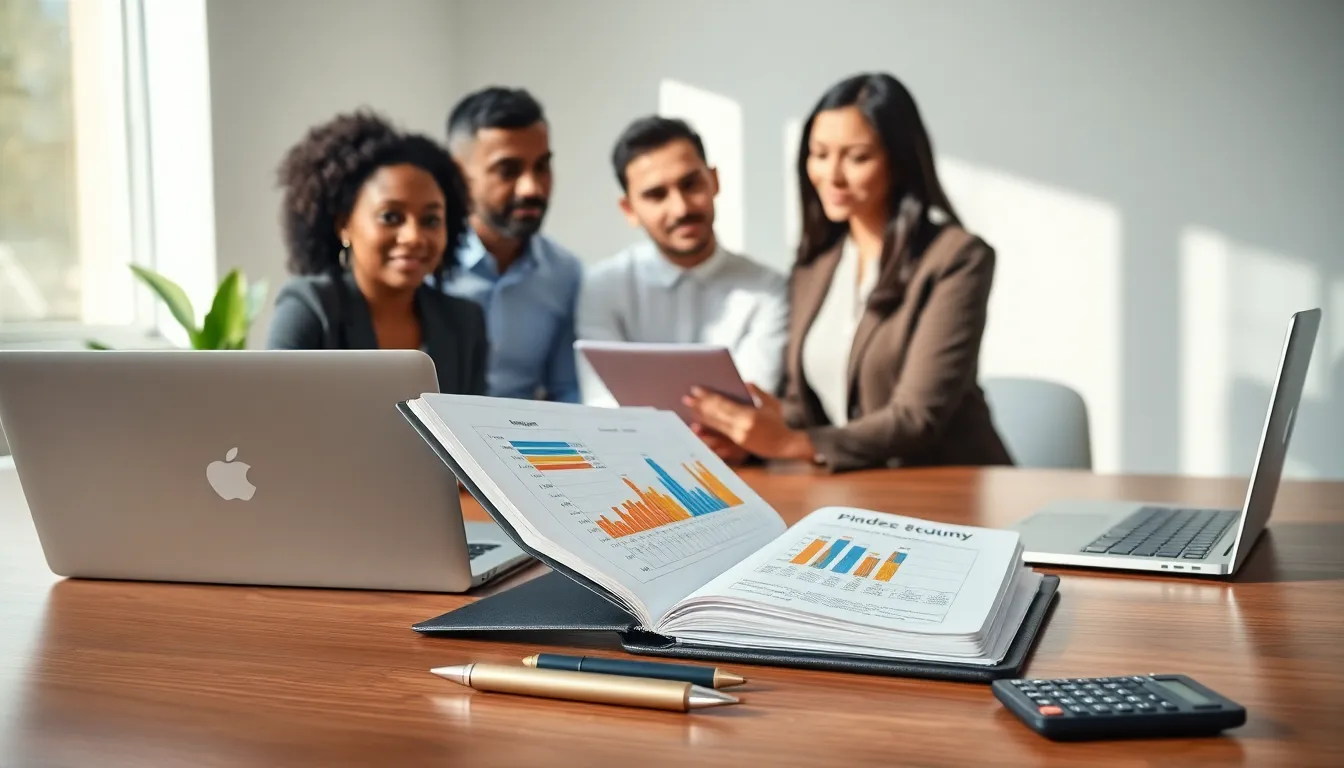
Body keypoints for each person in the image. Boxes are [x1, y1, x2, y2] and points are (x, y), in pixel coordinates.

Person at [684, 73, 1013, 472]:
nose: (832, 176)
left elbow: (916, 418)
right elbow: (806, 407)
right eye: (819, 154)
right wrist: (756, 434)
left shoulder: (955, 258)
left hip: (948, 487)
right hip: (856, 490)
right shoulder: (813, 266)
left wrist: (791, 442)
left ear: (899, 161)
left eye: (856, 157)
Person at [577, 115, 789, 463]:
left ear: (714, 181)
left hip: (741, 476)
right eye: (656, 195)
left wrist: (738, 436)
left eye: (691, 184)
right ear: (629, 210)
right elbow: (603, 411)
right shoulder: (601, 286)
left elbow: (748, 411)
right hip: (633, 474)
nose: (681, 208)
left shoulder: (768, 288)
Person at [266, 110, 488, 396]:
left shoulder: (465, 322)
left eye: (430, 220)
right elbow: (275, 419)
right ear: (344, 224)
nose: (414, 237)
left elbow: (468, 432)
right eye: (391, 217)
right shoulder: (310, 308)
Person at [439, 86, 583, 402]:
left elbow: (567, 393)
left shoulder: (565, 274)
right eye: (508, 170)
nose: (532, 188)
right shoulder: (424, 264)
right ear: (458, 175)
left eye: (542, 167)